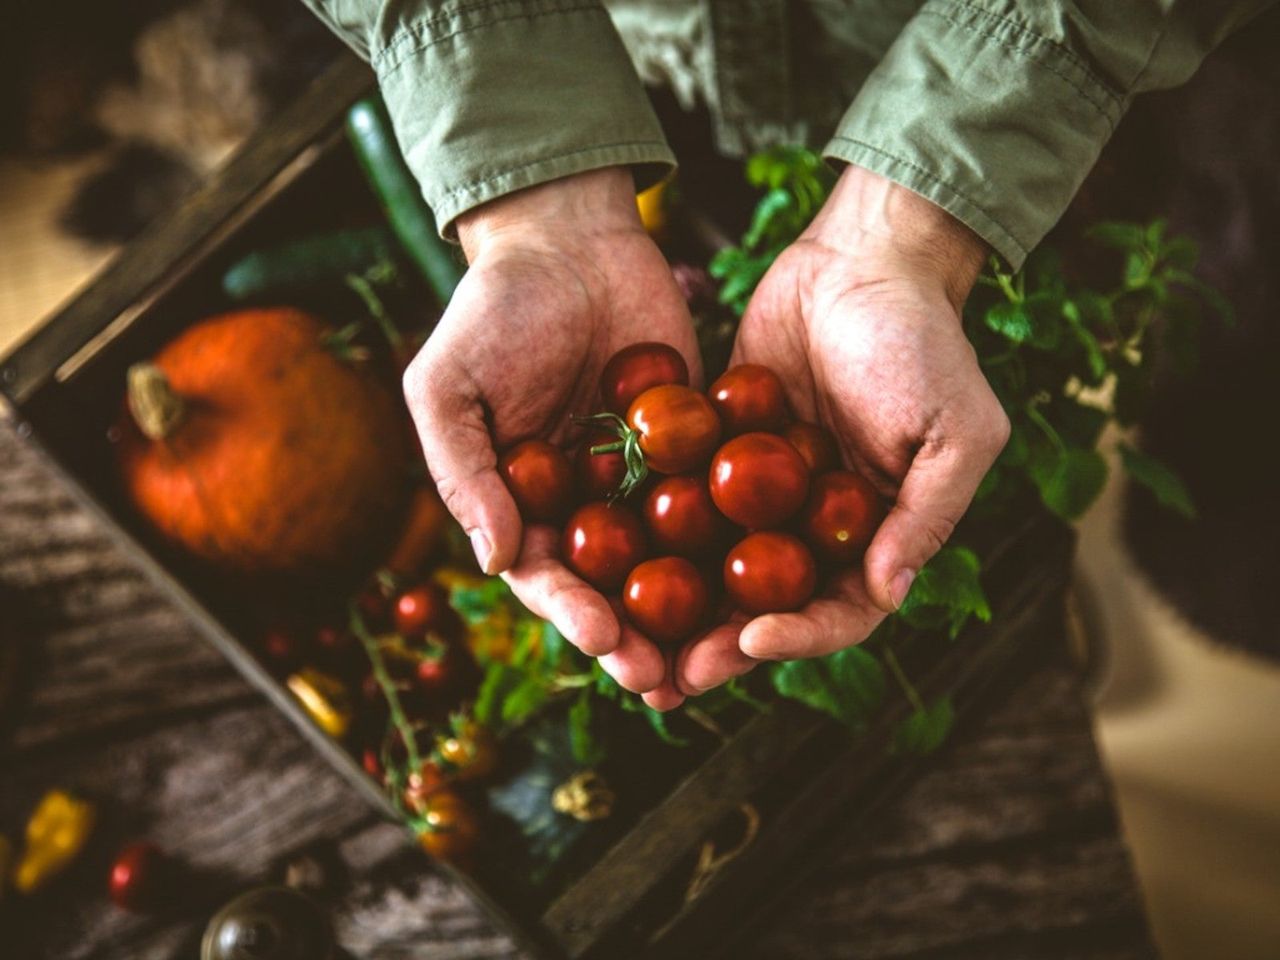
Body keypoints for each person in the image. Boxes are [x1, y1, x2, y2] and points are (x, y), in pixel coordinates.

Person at [299, 0, 1270, 709]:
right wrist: (529, 190)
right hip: (640, 54)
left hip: (1143, 50)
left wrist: (938, 182)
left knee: (1231, 324)